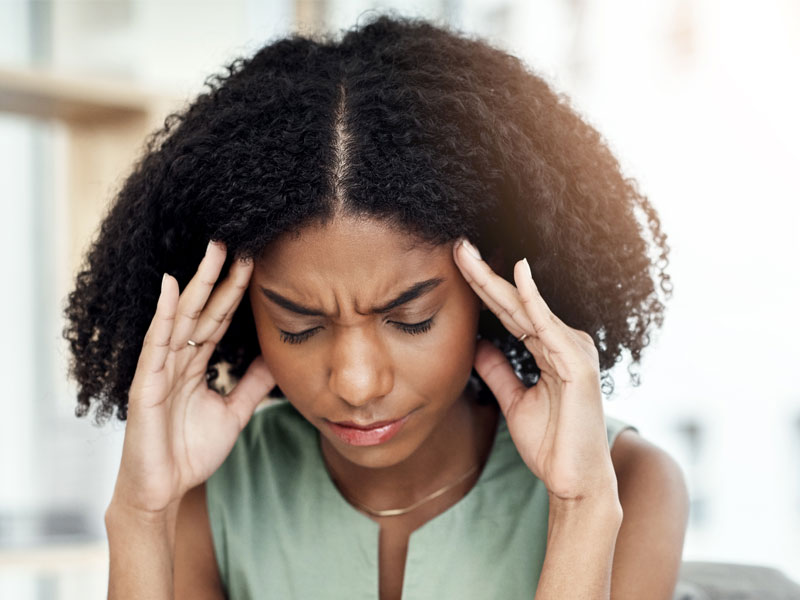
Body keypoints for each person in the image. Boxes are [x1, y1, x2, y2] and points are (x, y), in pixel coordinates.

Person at [63, 14, 689, 600]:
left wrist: (581, 510)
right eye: (299, 325)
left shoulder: (627, 484)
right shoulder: (210, 491)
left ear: (490, 286)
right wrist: (142, 515)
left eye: (410, 318)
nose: (357, 382)